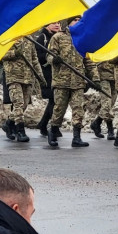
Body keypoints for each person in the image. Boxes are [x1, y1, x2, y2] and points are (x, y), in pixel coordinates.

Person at [46, 17, 98, 149]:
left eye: (79, 20)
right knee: (59, 109)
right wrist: (55, 59)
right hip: (61, 80)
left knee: (78, 109)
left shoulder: (82, 38)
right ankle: (52, 132)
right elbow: (49, 56)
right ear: (69, 23)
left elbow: (88, 61)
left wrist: (95, 78)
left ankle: (77, 137)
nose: (77, 22)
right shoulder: (58, 37)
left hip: (78, 81)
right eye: (75, 20)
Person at [0, 33, 46, 143]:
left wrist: (40, 76)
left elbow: (34, 59)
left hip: (28, 77)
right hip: (14, 76)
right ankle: (20, 130)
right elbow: (0, 55)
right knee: (18, 104)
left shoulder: (29, 39)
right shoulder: (8, 37)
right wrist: (14, 53)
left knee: (24, 105)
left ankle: (9, 123)